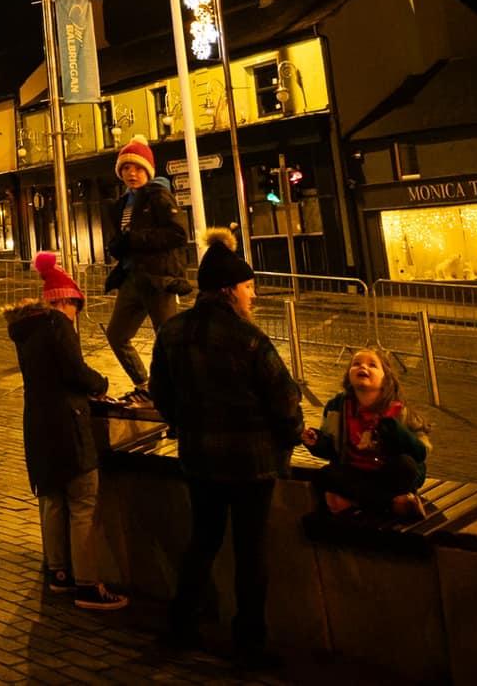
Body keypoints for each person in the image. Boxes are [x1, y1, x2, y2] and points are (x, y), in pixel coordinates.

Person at [148, 228, 303, 670]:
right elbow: (285, 398)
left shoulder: (173, 332)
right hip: (251, 464)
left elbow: (160, 391)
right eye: (248, 286)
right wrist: (291, 435)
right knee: (251, 551)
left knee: (204, 539)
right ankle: (249, 642)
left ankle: (182, 624)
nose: (252, 295)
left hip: (198, 459)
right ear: (229, 289)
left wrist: (181, 422)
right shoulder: (249, 338)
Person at [5, 252, 130, 611]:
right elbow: (75, 371)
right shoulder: (57, 325)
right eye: (76, 306)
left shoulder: (25, 330)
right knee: (82, 502)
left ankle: (58, 572)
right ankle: (88, 584)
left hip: (38, 426)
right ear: (64, 300)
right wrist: (100, 382)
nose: (77, 315)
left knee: (52, 499)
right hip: (68, 423)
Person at [102, 136, 192, 403]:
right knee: (117, 335)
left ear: (148, 171)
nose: (132, 173)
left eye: (138, 168)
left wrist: (136, 240)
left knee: (168, 340)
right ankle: (146, 385)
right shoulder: (121, 204)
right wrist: (117, 246)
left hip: (158, 279)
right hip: (132, 278)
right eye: (127, 168)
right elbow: (124, 237)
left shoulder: (159, 195)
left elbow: (178, 233)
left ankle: (180, 395)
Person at [304, 348, 431, 518]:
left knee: (405, 465)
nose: (363, 367)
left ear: (385, 378)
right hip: (356, 472)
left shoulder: (399, 410)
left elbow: (421, 452)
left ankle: (356, 502)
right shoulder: (338, 407)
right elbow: (331, 448)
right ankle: (392, 505)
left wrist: (394, 429)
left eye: (372, 365)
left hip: (389, 475)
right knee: (325, 476)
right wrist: (316, 441)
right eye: (356, 364)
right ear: (349, 375)